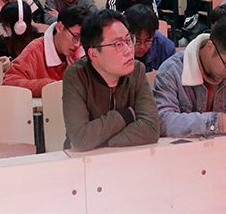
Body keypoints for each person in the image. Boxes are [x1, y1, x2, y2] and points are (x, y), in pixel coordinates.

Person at [62, 9, 160, 151]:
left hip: (125, 154)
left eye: (128, 40)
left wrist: (103, 143)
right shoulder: (77, 75)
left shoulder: (137, 70)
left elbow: (151, 128)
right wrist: (125, 115)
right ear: (94, 55)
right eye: (118, 45)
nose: (129, 50)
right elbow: (80, 138)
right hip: (84, 160)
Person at [3, 6, 88, 97]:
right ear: (59, 27)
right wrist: (50, 86)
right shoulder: (35, 50)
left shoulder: (82, 53)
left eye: (82, 40)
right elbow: (9, 83)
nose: (78, 44)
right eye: (75, 37)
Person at [124, 4, 175, 72]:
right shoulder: (116, 48)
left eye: (147, 41)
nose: (142, 47)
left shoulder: (165, 47)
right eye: (137, 41)